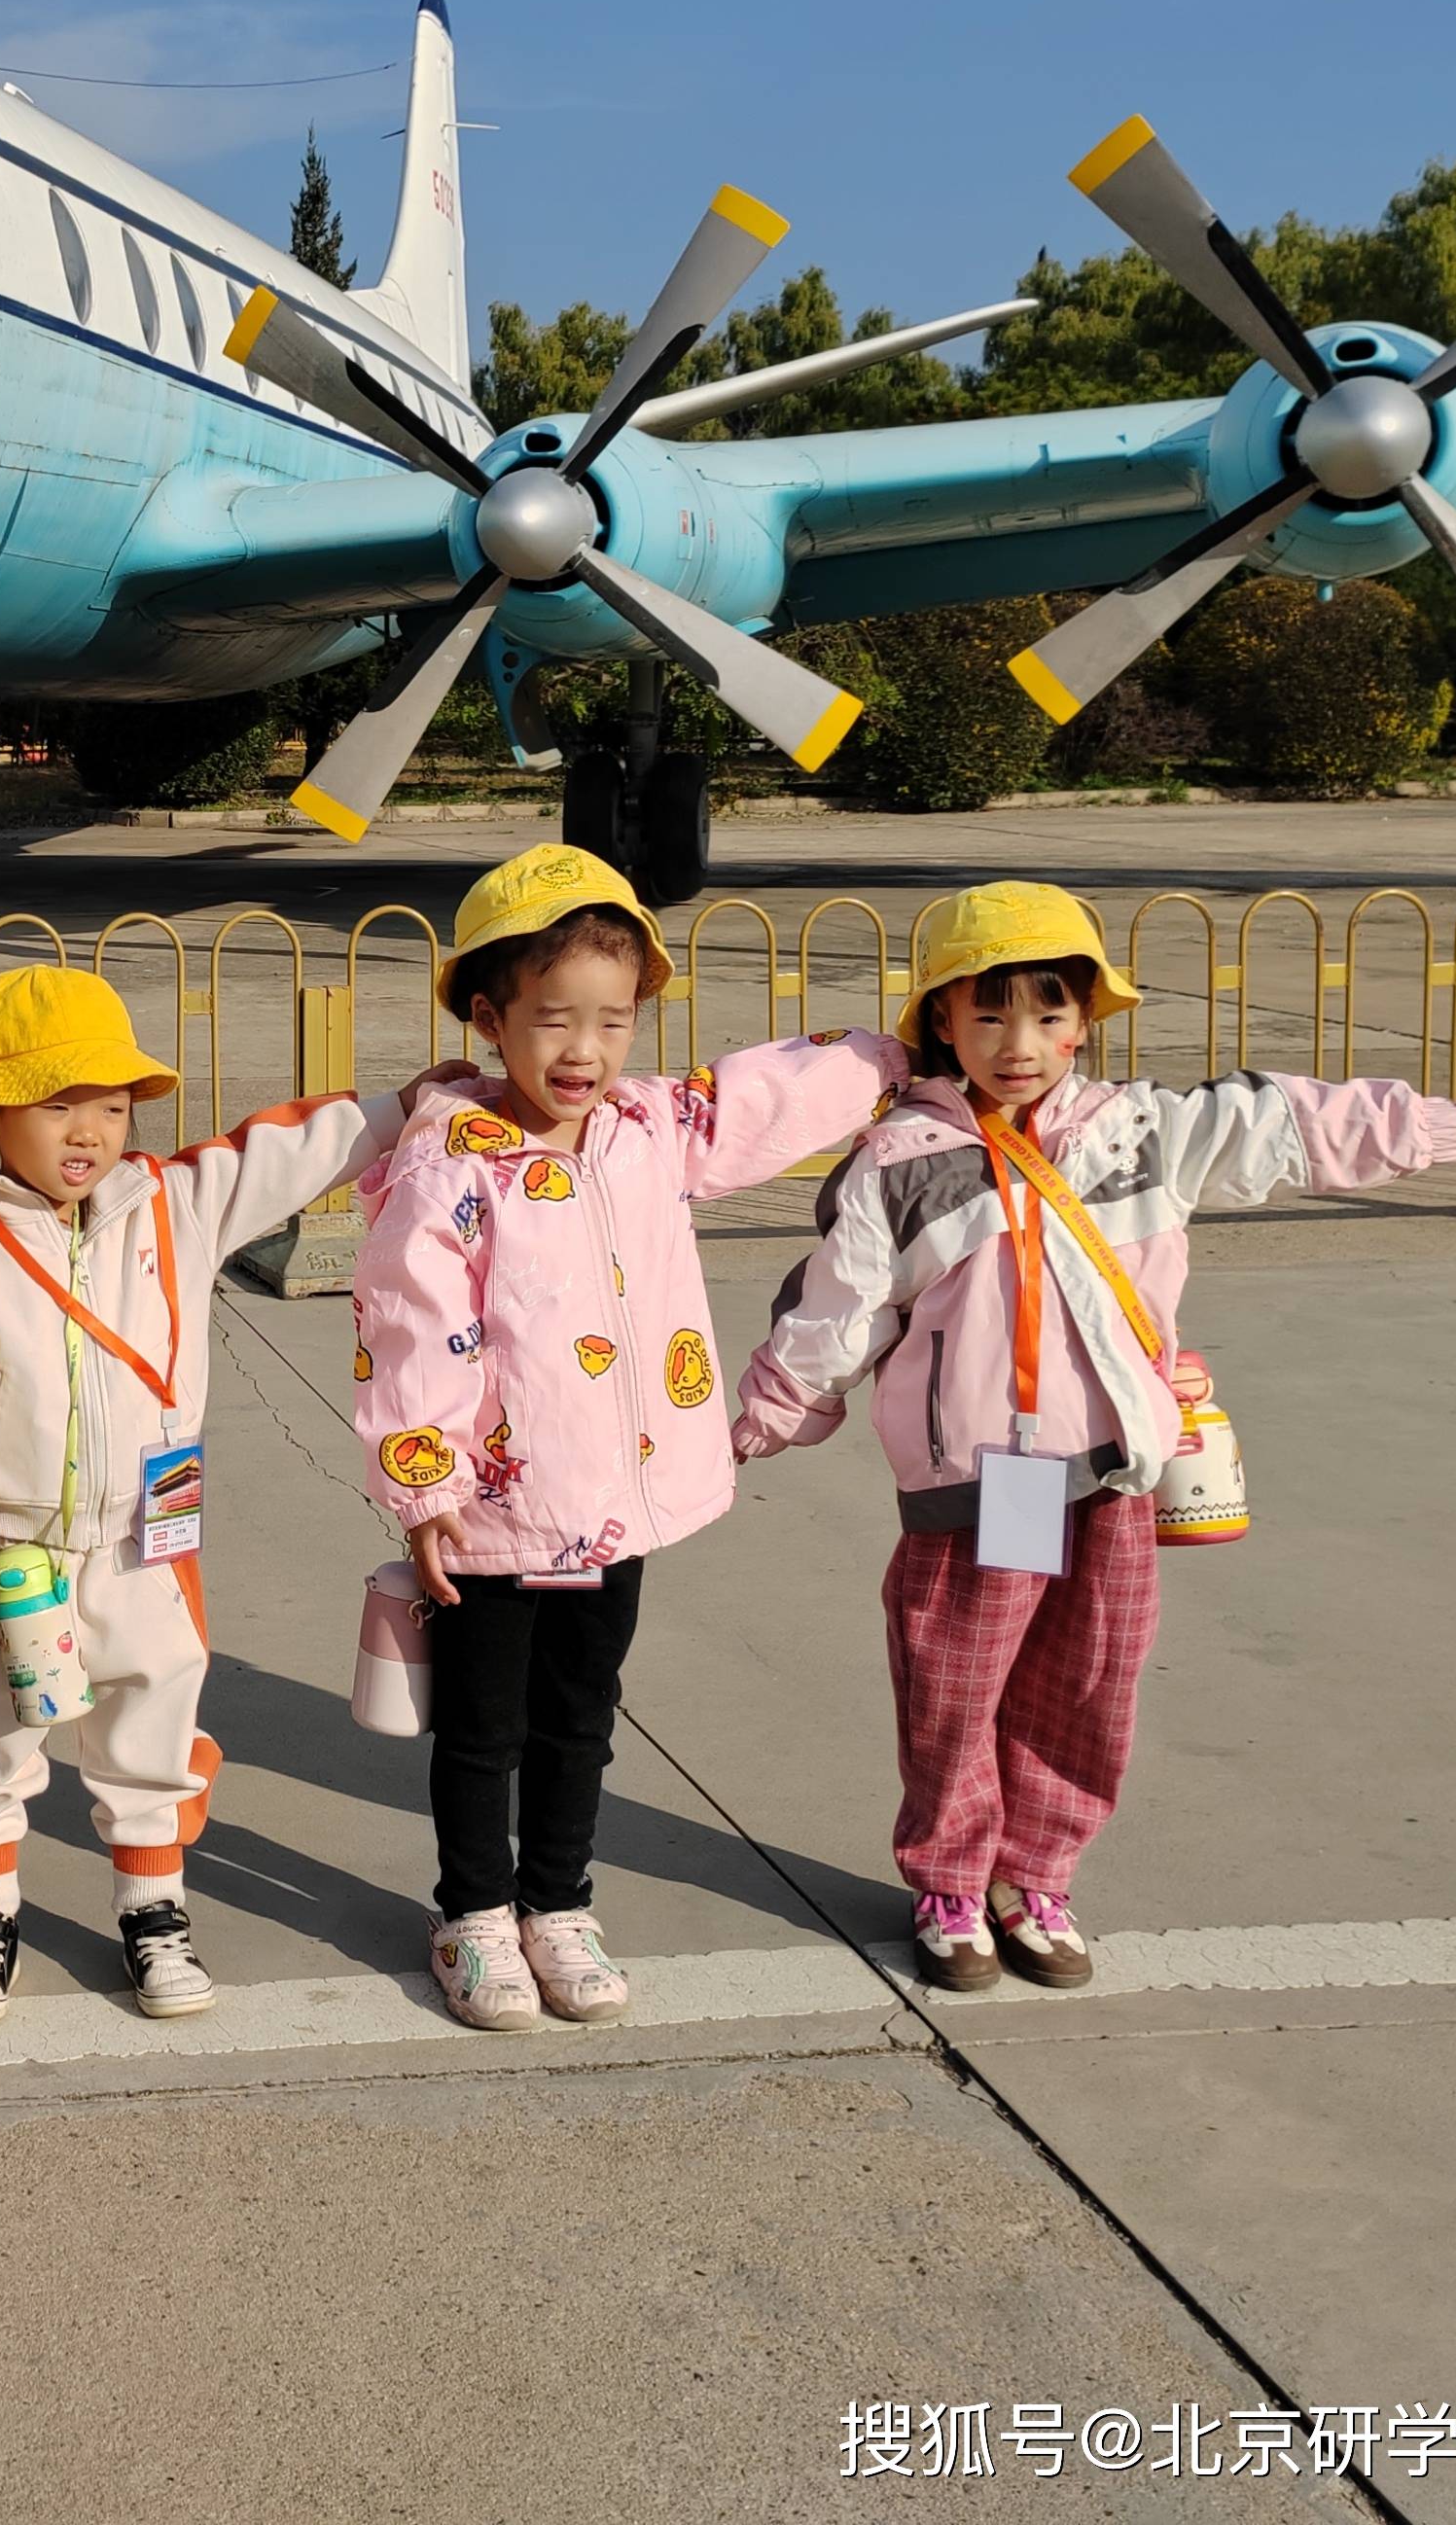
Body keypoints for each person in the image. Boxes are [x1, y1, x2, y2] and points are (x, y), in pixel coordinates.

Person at [728, 881, 1456, 1993]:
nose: (1022, 1044)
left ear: (1085, 1023)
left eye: (1051, 1014)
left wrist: (1431, 1118)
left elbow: (1276, 1122)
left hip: (1109, 1471)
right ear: (942, 1023)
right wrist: (761, 1420)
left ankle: (1036, 1876)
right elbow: (837, 1307)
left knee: (1087, 1680)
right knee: (962, 1680)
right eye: (990, 1014)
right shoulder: (903, 1161)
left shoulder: (1135, 1131)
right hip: (998, 1478)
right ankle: (953, 1883)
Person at [351, 844, 907, 2030]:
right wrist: (425, 1482)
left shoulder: (649, 1128)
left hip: (618, 1496)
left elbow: (769, 1094)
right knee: (483, 1727)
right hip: (496, 1506)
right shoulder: (450, 1161)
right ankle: (474, 1919)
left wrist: (902, 1052)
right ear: (490, 1019)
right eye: (553, 1021)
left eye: (612, 1022)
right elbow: (411, 1323)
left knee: (581, 1710)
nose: (584, 1052)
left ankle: (557, 1903)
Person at [0, 969, 460, 2025]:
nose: (89, 1131)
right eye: (56, 1103)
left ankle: (153, 1912)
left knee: (155, 1719)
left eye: (110, 1105)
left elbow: (278, 1155)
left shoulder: (173, 1203)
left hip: (148, 1543)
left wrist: (403, 1106)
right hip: (3, 1550)